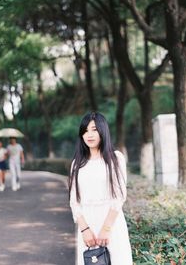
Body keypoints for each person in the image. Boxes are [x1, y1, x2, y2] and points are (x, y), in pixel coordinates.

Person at [68, 112, 133, 265]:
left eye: (94, 129)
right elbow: (74, 201)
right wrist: (84, 230)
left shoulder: (115, 158)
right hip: (87, 224)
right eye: (85, 131)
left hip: (112, 222)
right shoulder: (77, 164)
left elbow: (119, 196)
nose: (89, 135)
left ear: (103, 131)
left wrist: (106, 228)